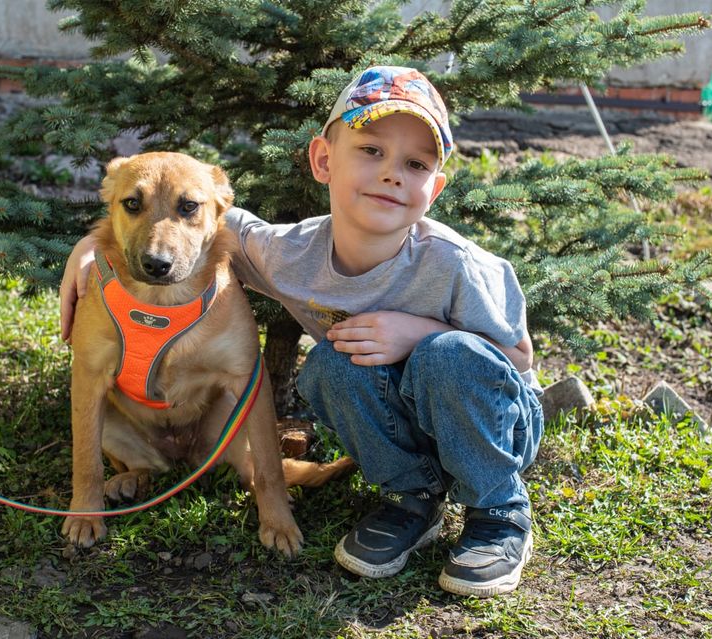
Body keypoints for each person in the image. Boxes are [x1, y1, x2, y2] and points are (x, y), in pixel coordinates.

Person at [59, 66, 543, 597]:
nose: (391, 174)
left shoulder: (455, 264)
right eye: (371, 151)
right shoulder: (289, 254)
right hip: (402, 412)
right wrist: (90, 248)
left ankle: (499, 510)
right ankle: (412, 498)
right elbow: (183, 223)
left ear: (435, 189)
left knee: (446, 353)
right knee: (330, 366)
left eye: (415, 164)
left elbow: (517, 359)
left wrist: (417, 332)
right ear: (322, 160)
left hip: (492, 416)